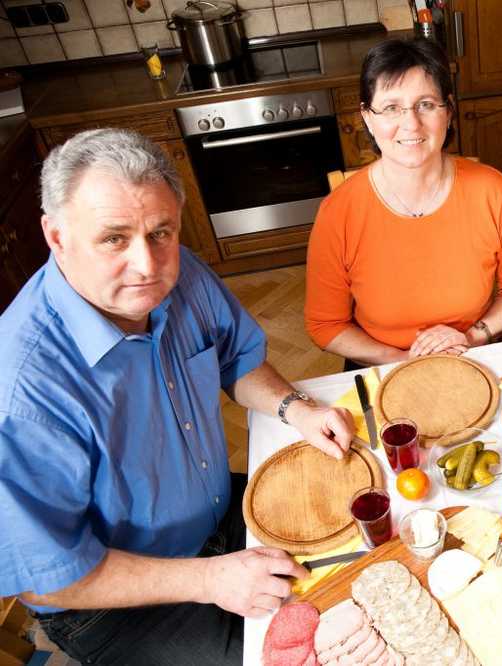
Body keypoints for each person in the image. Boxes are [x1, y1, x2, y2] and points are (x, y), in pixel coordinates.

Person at [0, 128, 357, 665]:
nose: (147, 265)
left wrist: (295, 408)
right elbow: (51, 578)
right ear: (56, 236)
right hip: (112, 597)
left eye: (161, 232)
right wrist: (210, 578)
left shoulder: (179, 272)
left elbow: (234, 357)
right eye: (114, 239)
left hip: (219, 516)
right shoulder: (21, 393)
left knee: (357, 569)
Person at [305, 39, 502, 368]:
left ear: (448, 110)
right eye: (391, 108)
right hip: (382, 363)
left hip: (473, 353)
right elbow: (325, 325)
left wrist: (472, 336)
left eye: (426, 104)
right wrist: (402, 360)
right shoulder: (338, 212)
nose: (411, 124)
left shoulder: (492, 189)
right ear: (367, 118)